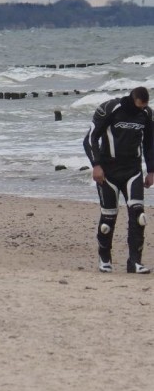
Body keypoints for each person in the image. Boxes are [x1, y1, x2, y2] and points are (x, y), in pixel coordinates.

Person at [83, 86, 154, 273]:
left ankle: (135, 262)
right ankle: (105, 259)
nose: (141, 110)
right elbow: (90, 139)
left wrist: (151, 170)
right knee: (108, 218)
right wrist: (96, 165)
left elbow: (150, 143)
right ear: (132, 100)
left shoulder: (146, 114)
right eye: (138, 107)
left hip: (133, 171)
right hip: (108, 172)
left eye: (143, 107)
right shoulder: (110, 108)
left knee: (139, 216)